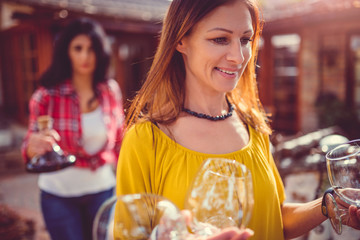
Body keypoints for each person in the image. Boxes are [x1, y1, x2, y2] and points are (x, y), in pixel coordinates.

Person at [115, 0, 360, 239]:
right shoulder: (146, 140)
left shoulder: (253, 126)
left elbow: (274, 218)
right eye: (220, 39)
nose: (239, 56)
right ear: (181, 40)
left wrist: (329, 205)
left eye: (245, 40)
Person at [21, 17, 125, 240]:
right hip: (59, 195)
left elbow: (120, 142)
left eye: (91, 49)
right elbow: (28, 148)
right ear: (66, 51)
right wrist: (34, 147)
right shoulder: (46, 96)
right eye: (78, 48)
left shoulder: (110, 91)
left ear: (101, 52)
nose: (85, 56)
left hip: (104, 191)